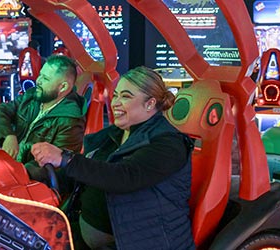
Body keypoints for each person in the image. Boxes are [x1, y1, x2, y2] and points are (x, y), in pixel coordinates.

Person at [31, 66, 195, 250]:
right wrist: (34, 177)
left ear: (150, 104)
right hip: (85, 233)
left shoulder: (168, 144)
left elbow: (123, 177)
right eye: (115, 95)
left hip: (142, 242)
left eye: (125, 96)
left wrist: (65, 159)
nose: (115, 102)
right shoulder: (116, 134)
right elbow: (89, 173)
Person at [0, 55, 87, 190]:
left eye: (45, 78)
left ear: (63, 87)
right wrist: (8, 136)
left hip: (33, 183)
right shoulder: (33, 96)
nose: (38, 81)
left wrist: (15, 173)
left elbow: (57, 167)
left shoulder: (70, 119)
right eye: (40, 75)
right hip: (12, 167)